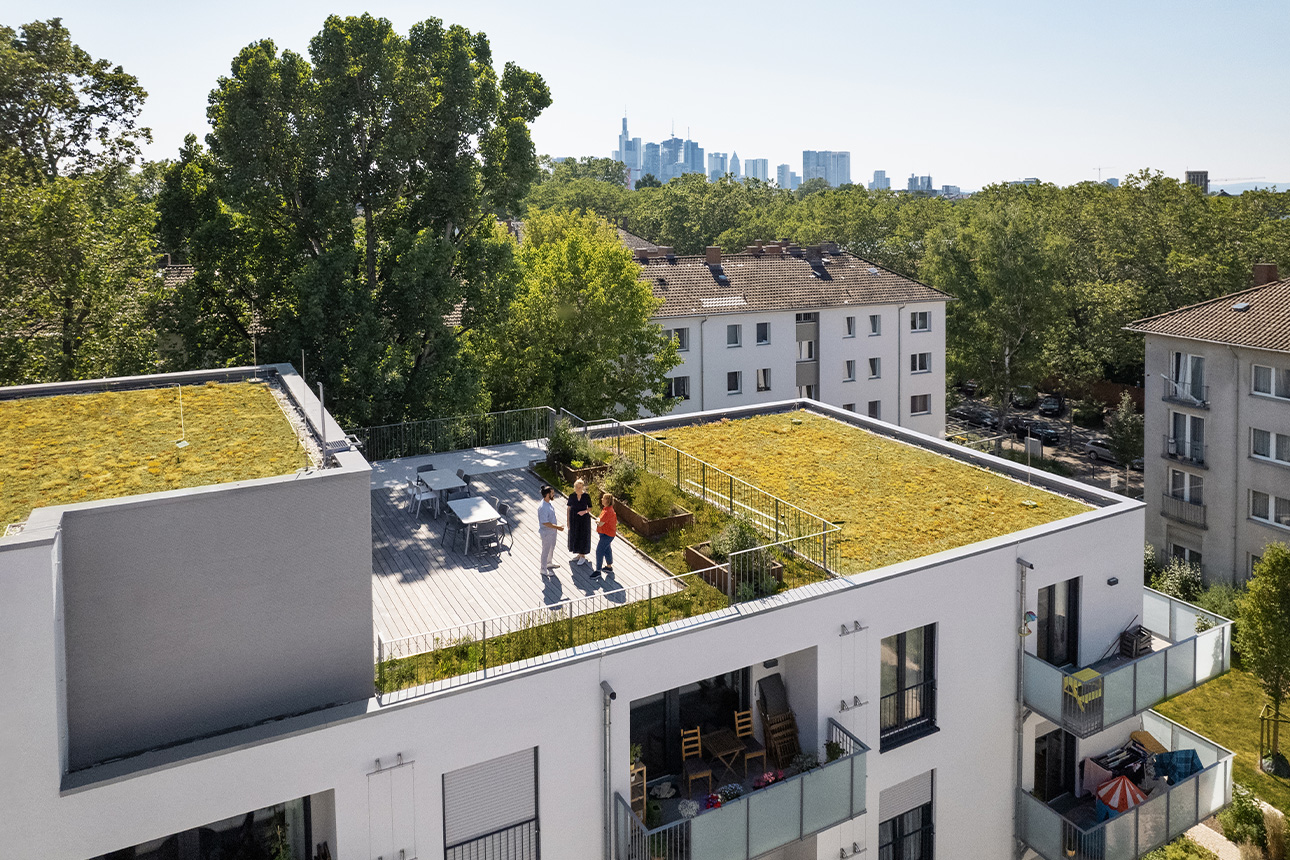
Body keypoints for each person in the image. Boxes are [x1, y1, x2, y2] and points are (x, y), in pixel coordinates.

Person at [537, 485, 564, 578]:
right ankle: (543, 569)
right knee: (545, 550)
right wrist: (558, 527)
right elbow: (545, 523)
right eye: (552, 493)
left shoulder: (548, 503)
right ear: (548, 494)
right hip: (546, 533)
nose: (554, 494)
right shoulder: (543, 507)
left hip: (552, 532)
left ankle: (549, 563)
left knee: (552, 547)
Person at [566, 478, 593, 565]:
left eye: (580, 487)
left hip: (584, 519)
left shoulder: (586, 496)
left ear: (583, 487)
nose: (579, 489)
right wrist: (568, 521)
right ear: (575, 487)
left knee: (583, 536)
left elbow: (590, 508)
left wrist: (584, 512)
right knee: (575, 535)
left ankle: (582, 555)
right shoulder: (572, 496)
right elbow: (568, 508)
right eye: (577, 487)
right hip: (574, 519)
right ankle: (578, 553)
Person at [592, 492, 617, 579]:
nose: (602, 499)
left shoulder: (607, 512)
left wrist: (597, 521)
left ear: (607, 500)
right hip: (606, 534)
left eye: (603, 498)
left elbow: (600, 523)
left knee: (599, 551)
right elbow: (600, 518)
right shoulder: (606, 509)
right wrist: (598, 520)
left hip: (607, 534)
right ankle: (609, 567)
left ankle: (598, 571)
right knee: (607, 549)